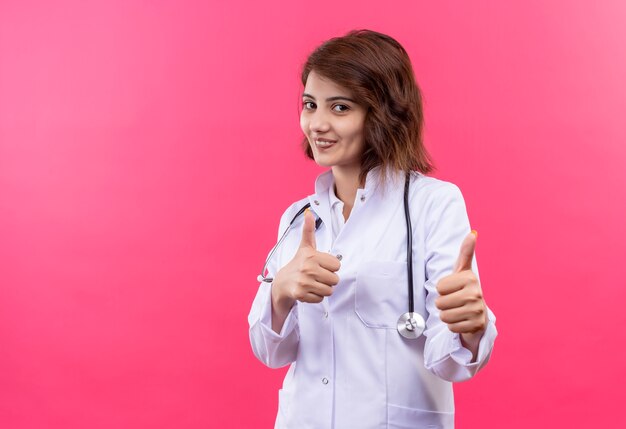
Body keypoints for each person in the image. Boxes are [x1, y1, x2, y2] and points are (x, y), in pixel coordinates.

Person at [248, 29, 497, 429]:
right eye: (310, 104)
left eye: (341, 107)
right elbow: (271, 352)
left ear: (383, 112)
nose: (318, 124)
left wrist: (470, 326)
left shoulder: (432, 205)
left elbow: (448, 359)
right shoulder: (298, 218)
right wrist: (279, 294)